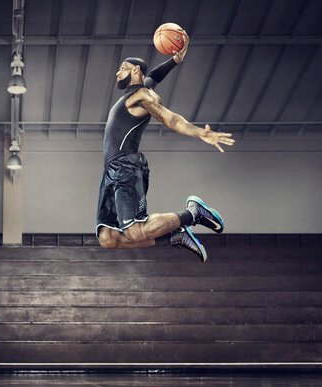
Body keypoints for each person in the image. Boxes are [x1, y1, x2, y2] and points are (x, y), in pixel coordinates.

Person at [96, 35, 235, 261]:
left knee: (133, 230)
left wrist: (200, 132)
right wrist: (175, 60)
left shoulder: (142, 96)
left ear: (134, 71)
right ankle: (174, 237)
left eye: (123, 68)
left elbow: (170, 119)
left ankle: (193, 214)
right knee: (107, 238)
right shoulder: (138, 90)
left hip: (126, 166)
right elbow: (152, 77)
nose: (117, 72)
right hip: (111, 170)